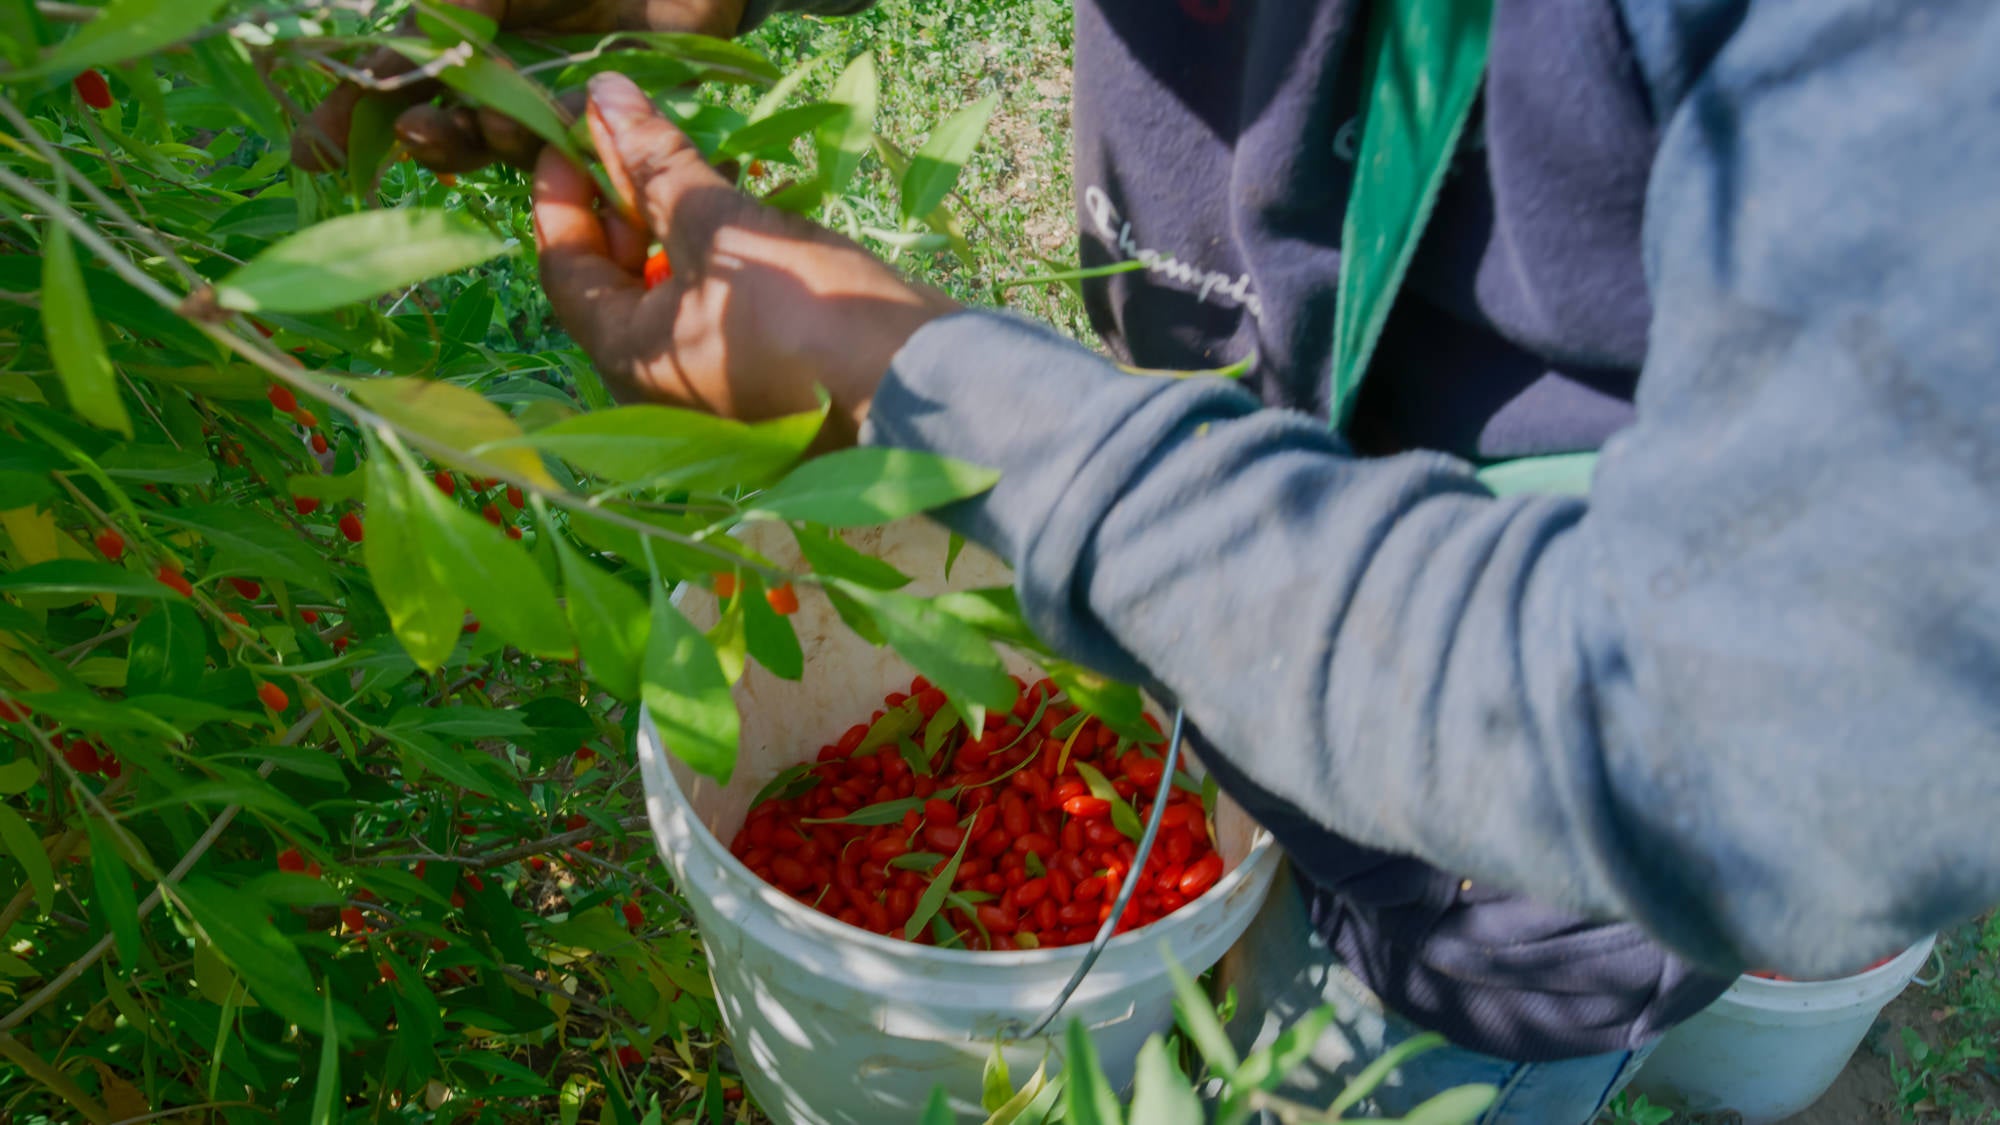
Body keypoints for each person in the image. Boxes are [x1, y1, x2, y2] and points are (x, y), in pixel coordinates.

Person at [298, 0, 2000, 1119]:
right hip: (1271, 647)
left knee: (1414, 1053)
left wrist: (926, 396)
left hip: (1526, 862)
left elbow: (1792, 766)